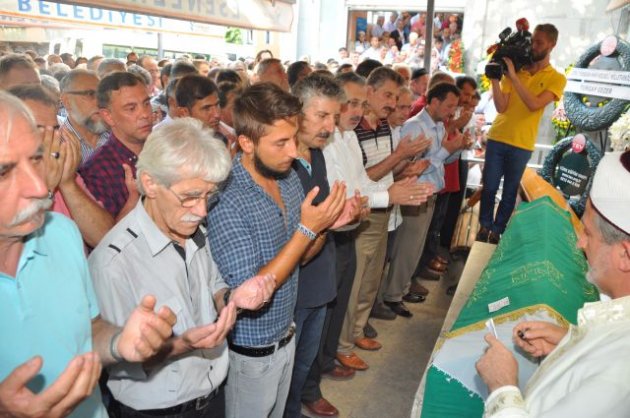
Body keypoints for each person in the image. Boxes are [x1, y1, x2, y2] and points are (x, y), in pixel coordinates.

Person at [0, 91, 176, 418]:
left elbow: (87, 330)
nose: (38, 187)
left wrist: (121, 342)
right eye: (4, 172)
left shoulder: (60, 232)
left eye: (37, 159)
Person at [90, 118, 274, 417]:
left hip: (213, 393)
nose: (201, 211)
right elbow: (123, 361)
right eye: (189, 197)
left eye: (208, 196)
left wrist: (233, 298)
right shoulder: (113, 263)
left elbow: (213, 285)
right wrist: (181, 345)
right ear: (150, 183)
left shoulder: (192, 230)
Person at [207, 83, 347, 418]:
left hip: (287, 332)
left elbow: (299, 258)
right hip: (251, 349)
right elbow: (250, 292)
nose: (294, 151)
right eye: (281, 143)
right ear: (247, 143)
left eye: (294, 139)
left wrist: (325, 225)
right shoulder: (228, 197)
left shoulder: (287, 178)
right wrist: (308, 229)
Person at [476, 150, 630, 417]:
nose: (580, 243)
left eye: (588, 233)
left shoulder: (620, 373)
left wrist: (502, 388)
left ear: (625, 255)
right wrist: (568, 345)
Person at [336, 67, 431, 370]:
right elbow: (363, 178)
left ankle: (357, 331)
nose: (392, 103)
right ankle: (343, 344)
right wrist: (399, 157)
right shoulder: (353, 131)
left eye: (395, 97)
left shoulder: (382, 127)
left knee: (370, 280)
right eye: (388, 96)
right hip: (365, 211)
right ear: (370, 91)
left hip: (382, 208)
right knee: (355, 284)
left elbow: (381, 174)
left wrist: (405, 169)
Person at [285, 74, 361, 418]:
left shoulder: (316, 155)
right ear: (296, 111)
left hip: (320, 277)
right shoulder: (281, 163)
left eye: (334, 116)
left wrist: (343, 213)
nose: (330, 127)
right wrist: (328, 221)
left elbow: (324, 212)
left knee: (305, 362)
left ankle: (301, 402)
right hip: (294, 284)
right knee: (286, 369)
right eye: (322, 116)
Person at [383, 82, 468, 316]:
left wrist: (456, 148)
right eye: (449, 106)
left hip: (429, 193)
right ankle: (392, 295)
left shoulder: (438, 126)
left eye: (455, 107)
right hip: (414, 192)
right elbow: (412, 168)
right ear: (434, 102)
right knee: (406, 248)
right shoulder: (415, 126)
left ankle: (402, 289)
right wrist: (445, 150)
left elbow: (441, 162)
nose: (452, 112)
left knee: (415, 247)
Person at [477, 23, 566, 244]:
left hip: (522, 144)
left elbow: (534, 104)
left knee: (509, 193)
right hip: (497, 137)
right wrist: (495, 80)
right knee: (489, 187)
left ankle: (497, 232)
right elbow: (501, 107)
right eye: (533, 40)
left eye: (539, 42)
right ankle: (484, 227)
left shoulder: (556, 78)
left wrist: (514, 77)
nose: (533, 46)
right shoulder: (517, 69)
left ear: (552, 45)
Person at [9, 84, 114, 248]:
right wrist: (47, 188)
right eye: (38, 129)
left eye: (55, 129)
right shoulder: (7, 180)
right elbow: (18, 246)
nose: (51, 138)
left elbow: (105, 239)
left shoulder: (64, 169)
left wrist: (68, 184)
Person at [80, 72, 152, 220]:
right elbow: (106, 233)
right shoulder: (96, 172)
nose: (145, 114)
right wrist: (134, 201)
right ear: (108, 116)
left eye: (146, 104)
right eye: (131, 108)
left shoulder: (164, 149)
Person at [59, 69, 110, 165]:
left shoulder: (119, 136)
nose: (100, 102)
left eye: (102, 95)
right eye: (90, 94)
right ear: (67, 101)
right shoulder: (56, 147)